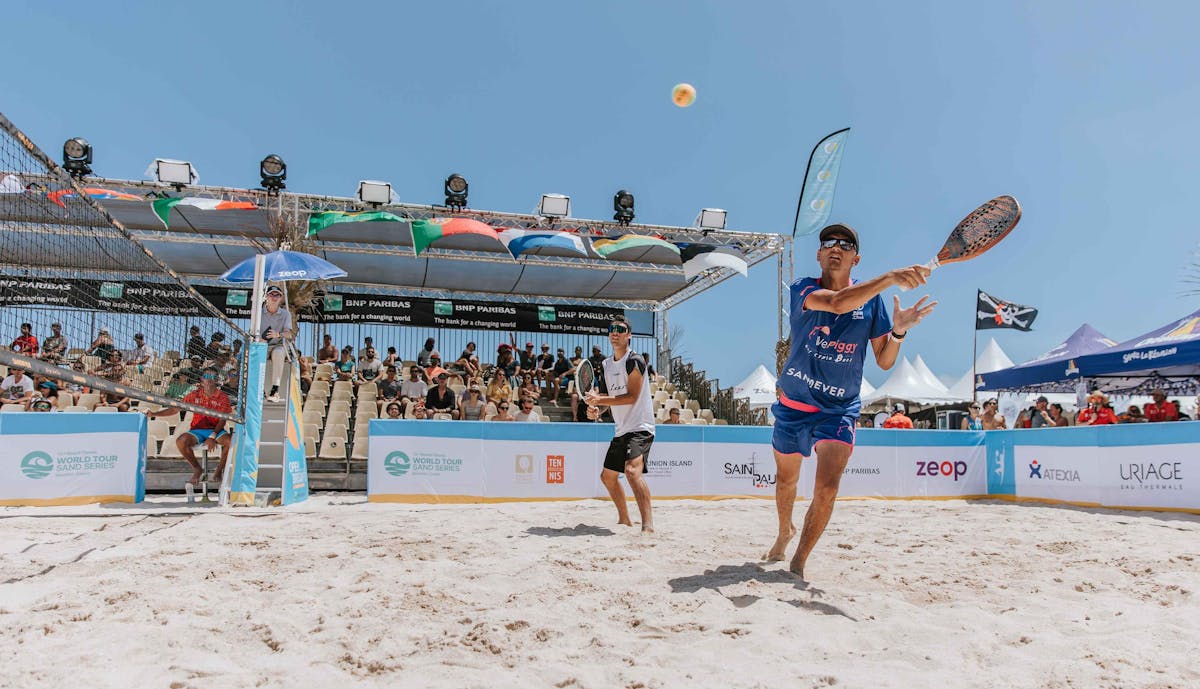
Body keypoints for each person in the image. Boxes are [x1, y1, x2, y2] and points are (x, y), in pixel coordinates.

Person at [766, 223, 936, 578]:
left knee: (826, 490)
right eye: (828, 242)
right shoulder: (803, 289)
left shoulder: (873, 302)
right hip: (795, 403)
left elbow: (885, 360)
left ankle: (798, 562)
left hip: (838, 409)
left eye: (845, 244)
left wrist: (899, 331)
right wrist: (891, 276)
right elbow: (838, 304)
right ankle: (784, 530)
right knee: (786, 482)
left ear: (855, 258)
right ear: (818, 254)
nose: (836, 247)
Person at [584, 316, 656, 532]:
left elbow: (631, 396)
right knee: (607, 477)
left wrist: (600, 400)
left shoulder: (635, 361)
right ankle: (624, 519)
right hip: (621, 429)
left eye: (620, 329)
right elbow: (608, 397)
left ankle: (648, 526)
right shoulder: (606, 364)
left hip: (641, 428)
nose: (615, 332)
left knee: (632, 472)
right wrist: (596, 409)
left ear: (629, 335)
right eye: (612, 329)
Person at [146, 367, 233, 485]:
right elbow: (174, 410)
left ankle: (219, 470)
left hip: (216, 430)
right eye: (207, 377)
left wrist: (212, 436)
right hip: (198, 430)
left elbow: (223, 419)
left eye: (213, 377)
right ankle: (197, 468)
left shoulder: (223, 397)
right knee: (181, 441)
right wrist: (154, 414)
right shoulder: (194, 395)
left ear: (217, 380)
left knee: (230, 441)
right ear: (202, 379)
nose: (210, 380)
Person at [260, 285, 294, 402]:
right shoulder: (258, 313)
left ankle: (275, 391)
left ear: (281, 298)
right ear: (266, 297)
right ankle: (260, 390)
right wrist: (260, 339)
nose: (274, 297)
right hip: (262, 345)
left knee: (279, 353)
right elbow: (252, 333)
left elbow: (289, 334)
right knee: (256, 354)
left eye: (277, 295)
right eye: (271, 294)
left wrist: (278, 334)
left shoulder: (286, 314)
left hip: (278, 345)